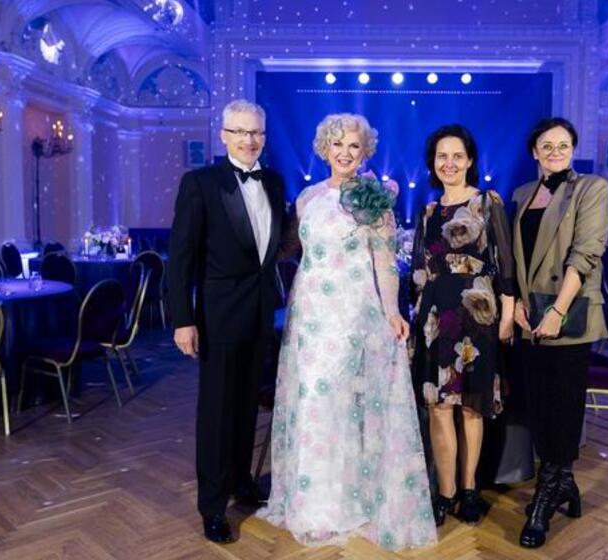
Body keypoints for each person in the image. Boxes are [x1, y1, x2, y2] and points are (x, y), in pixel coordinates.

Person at [256, 113, 436, 550]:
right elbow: (290, 250)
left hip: (354, 313)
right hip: (310, 314)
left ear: (365, 151)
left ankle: (349, 499)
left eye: (354, 146)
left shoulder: (374, 199)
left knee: (346, 403)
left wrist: (392, 311)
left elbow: (385, 261)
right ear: (325, 148)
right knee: (313, 400)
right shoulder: (308, 198)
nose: (345, 152)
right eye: (337, 144)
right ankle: (313, 501)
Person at [168, 100, 289, 544]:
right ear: (223, 136)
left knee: (245, 405)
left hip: (260, 314)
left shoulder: (273, 181)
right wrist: (183, 319)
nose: (248, 140)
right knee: (217, 413)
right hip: (217, 317)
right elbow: (180, 258)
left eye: (255, 132)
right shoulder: (199, 182)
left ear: (264, 136)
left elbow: (276, 245)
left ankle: (241, 480)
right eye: (239, 132)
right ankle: (213, 506)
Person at [409, 124, 515, 526]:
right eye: (442, 156)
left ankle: (470, 490)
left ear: (470, 160)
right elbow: (419, 270)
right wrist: (417, 319)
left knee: (472, 406)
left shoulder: (488, 202)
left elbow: (506, 264)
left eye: (457, 155)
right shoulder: (428, 212)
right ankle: (446, 492)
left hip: (477, 313)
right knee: (439, 408)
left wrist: (508, 313)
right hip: (435, 318)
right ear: (433, 163)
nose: (449, 163)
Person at [511, 117, 608, 548]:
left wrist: (557, 310)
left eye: (563, 145)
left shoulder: (591, 187)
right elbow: (517, 256)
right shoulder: (522, 194)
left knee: (564, 404)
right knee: (538, 404)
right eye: (547, 146)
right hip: (530, 315)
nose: (555, 152)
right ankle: (563, 482)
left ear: (573, 149)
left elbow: (585, 253)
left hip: (569, 311)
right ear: (534, 151)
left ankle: (546, 494)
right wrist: (517, 302)